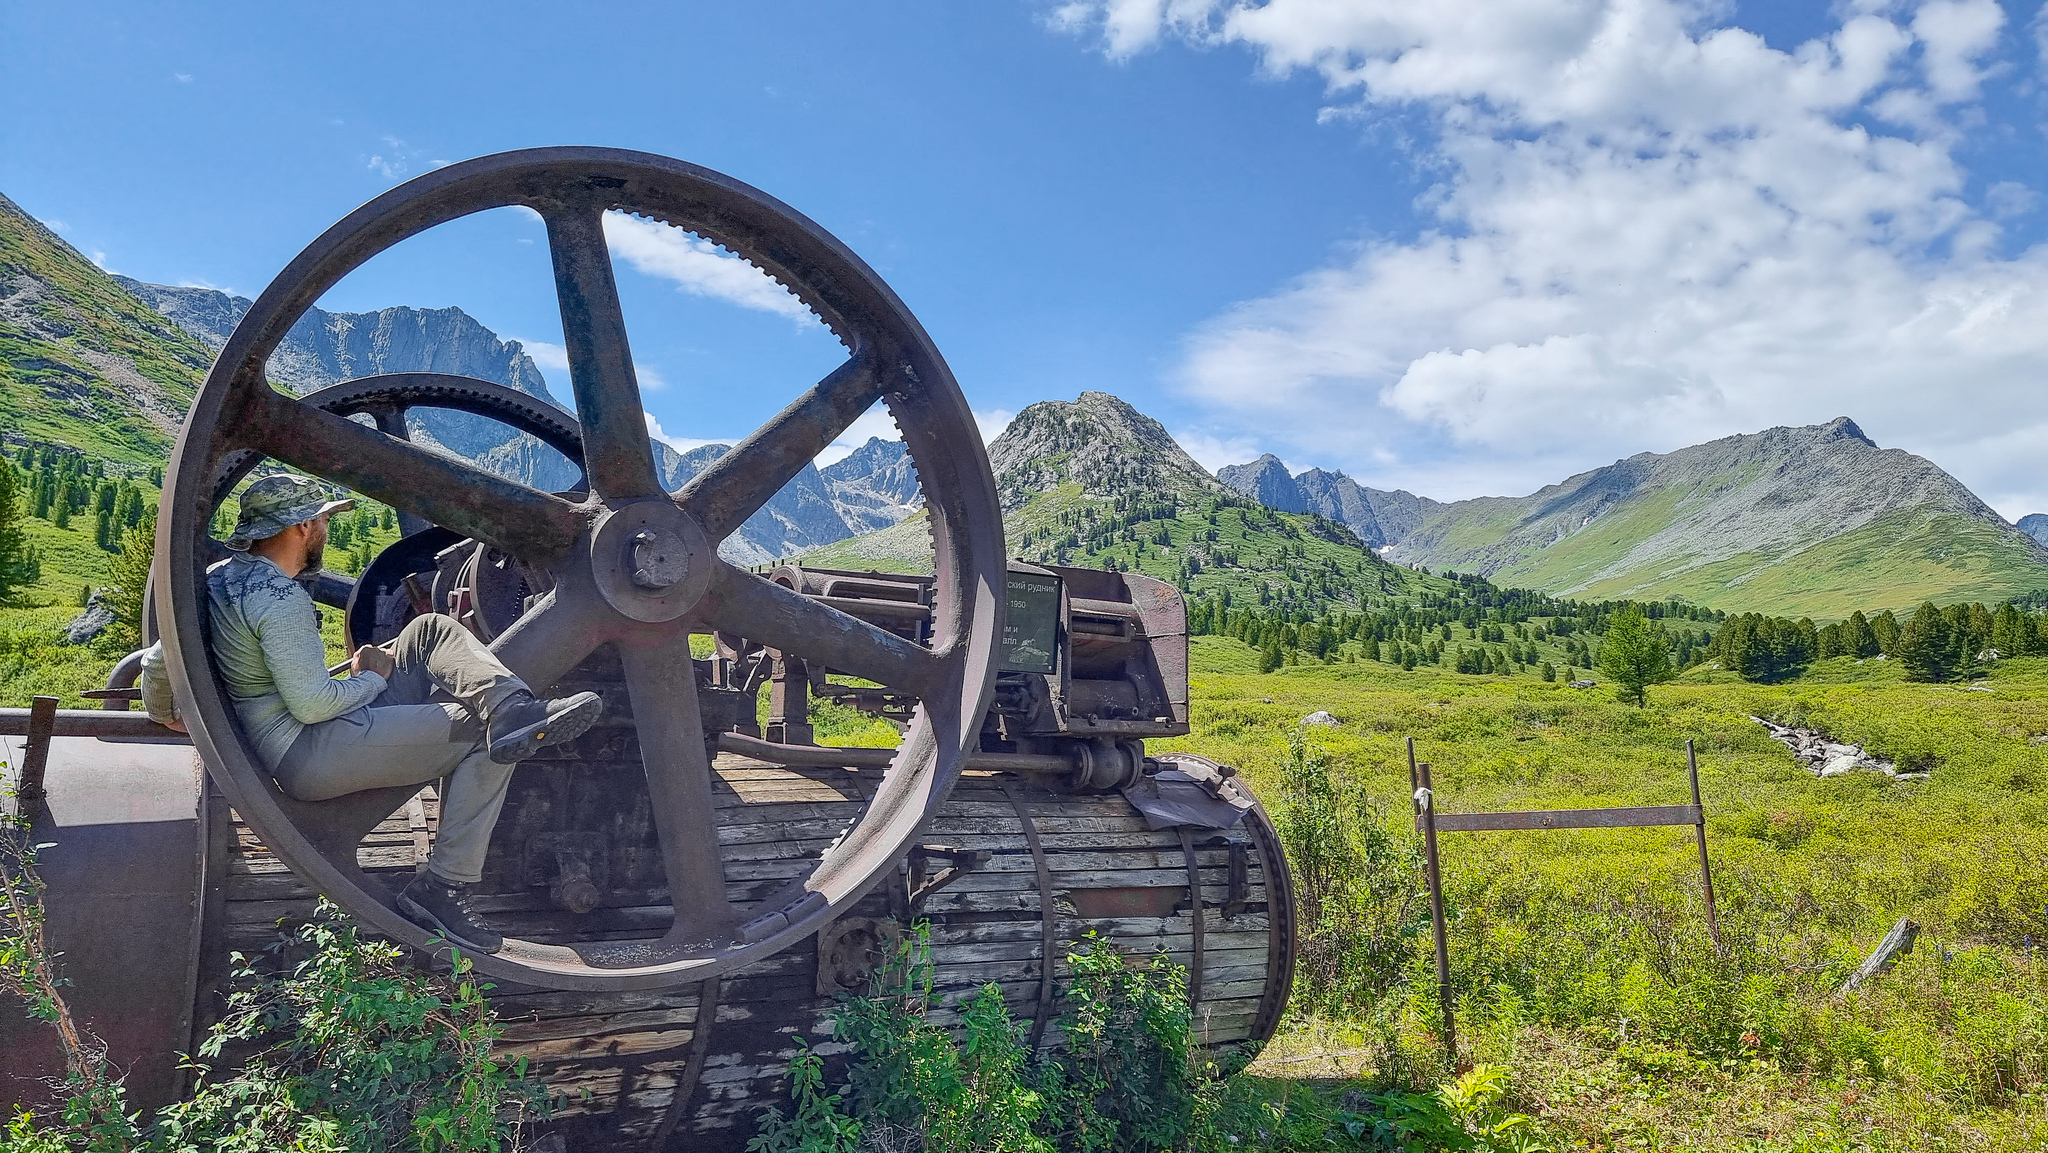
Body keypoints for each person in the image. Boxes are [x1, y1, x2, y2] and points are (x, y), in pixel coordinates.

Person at [139, 474, 602, 953]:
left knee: (428, 631)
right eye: (321, 520)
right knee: (491, 740)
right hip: (309, 753)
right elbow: (313, 704)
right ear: (301, 527)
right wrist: (373, 678)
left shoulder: (218, 580)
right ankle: (443, 887)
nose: (325, 530)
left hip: (302, 736)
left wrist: (171, 715)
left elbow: (157, 659)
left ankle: (509, 703)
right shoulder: (279, 598)